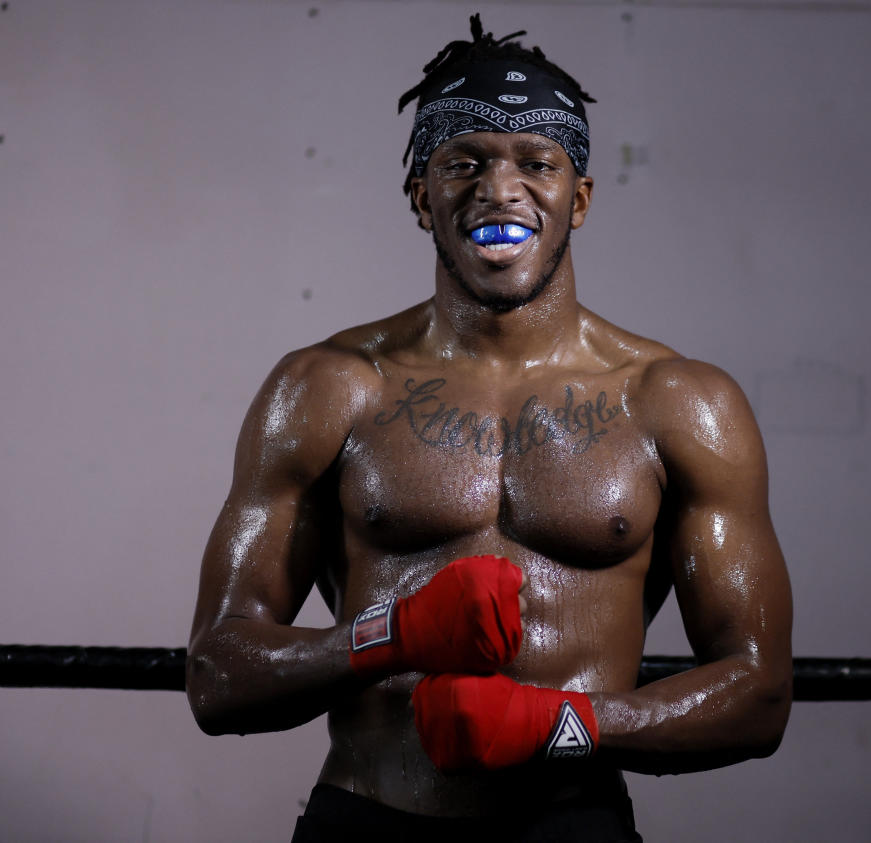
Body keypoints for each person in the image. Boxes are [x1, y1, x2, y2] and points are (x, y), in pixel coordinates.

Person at [185, 16, 792, 842]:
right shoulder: (327, 389)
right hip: (369, 817)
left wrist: (559, 723)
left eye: (535, 164)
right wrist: (388, 635)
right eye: (463, 163)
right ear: (419, 194)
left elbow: (757, 693)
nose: (499, 190)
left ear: (577, 198)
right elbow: (218, 673)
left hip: (570, 824)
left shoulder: (678, 403)